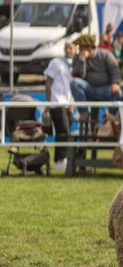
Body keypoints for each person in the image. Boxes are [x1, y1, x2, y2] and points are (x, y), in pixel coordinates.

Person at [69, 34, 123, 124]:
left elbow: (115, 70)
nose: (82, 50)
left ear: (92, 47)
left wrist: (116, 83)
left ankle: (109, 115)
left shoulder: (105, 54)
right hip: (88, 89)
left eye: (85, 47)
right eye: (81, 48)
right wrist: (82, 60)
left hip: (105, 89)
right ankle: (83, 112)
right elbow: (78, 76)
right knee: (74, 83)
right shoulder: (77, 58)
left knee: (119, 93)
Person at [43, 41, 76, 170]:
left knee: (63, 132)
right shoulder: (56, 62)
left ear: (75, 49)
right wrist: (49, 102)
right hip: (57, 101)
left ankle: (58, 160)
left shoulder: (76, 64)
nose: (69, 50)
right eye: (67, 47)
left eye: (71, 47)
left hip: (69, 103)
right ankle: (62, 159)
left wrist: (72, 103)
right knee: (63, 131)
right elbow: (48, 83)